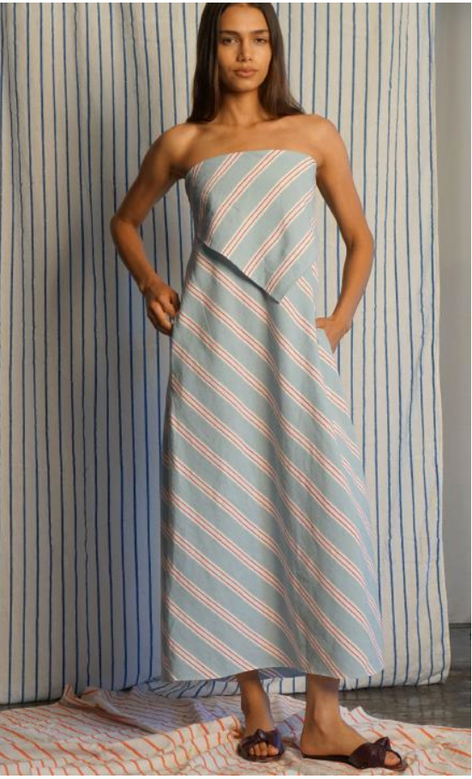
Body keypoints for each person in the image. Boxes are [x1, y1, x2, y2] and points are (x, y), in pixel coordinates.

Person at [110, 2, 406, 772]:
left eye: (260, 38)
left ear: (275, 48)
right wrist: (149, 282)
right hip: (215, 353)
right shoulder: (185, 142)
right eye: (231, 39)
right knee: (222, 509)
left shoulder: (313, 134)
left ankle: (322, 716)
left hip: (294, 352)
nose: (247, 53)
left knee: (324, 500)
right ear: (211, 49)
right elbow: (125, 221)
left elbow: (360, 236)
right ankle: (253, 707)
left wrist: (336, 321)